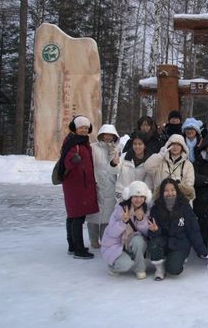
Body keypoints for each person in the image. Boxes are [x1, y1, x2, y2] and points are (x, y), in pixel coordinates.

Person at [148, 179, 208, 280]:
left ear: (177, 191)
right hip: (164, 242)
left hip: (180, 243)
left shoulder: (184, 206)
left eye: (172, 190)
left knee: (173, 269)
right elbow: (151, 232)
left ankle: (178, 259)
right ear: (162, 192)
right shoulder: (156, 208)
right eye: (166, 190)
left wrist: (201, 249)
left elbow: (193, 230)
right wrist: (155, 230)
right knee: (154, 242)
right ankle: (159, 268)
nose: (170, 193)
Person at [58, 115, 99, 259]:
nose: (84, 130)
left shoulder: (80, 142)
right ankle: (79, 250)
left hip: (79, 185)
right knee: (78, 217)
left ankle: (72, 246)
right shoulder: (73, 142)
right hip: (76, 186)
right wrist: (73, 160)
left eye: (86, 128)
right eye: (81, 127)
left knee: (72, 215)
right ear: (75, 128)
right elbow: (67, 162)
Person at [101, 181, 153, 279]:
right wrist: (122, 222)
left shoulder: (146, 210)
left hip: (131, 242)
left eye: (141, 197)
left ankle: (140, 269)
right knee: (125, 264)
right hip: (115, 245)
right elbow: (112, 233)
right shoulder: (120, 209)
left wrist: (141, 220)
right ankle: (113, 266)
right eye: (135, 196)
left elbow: (147, 234)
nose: (138, 200)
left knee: (139, 240)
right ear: (130, 196)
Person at [86, 124, 120, 249]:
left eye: (111, 135)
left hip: (110, 185)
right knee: (93, 215)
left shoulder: (117, 149)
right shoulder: (93, 148)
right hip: (96, 184)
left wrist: (112, 154)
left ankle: (104, 238)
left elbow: (117, 168)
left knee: (108, 215)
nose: (108, 137)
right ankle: (93, 239)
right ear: (101, 135)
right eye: (105, 135)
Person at [144, 134, 196, 201]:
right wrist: (160, 155)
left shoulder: (188, 164)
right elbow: (147, 168)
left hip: (180, 201)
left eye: (178, 145)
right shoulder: (160, 160)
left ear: (182, 147)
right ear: (168, 145)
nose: (175, 147)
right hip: (160, 200)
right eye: (173, 144)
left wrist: (177, 186)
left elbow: (189, 185)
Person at [115, 134, 153, 202]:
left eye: (140, 144)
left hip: (138, 197)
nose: (137, 146)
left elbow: (148, 183)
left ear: (145, 146)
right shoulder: (125, 156)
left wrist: (144, 195)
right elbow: (115, 171)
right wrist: (114, 164)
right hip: (122, 194)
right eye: (135, 144)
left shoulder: (149, 161)